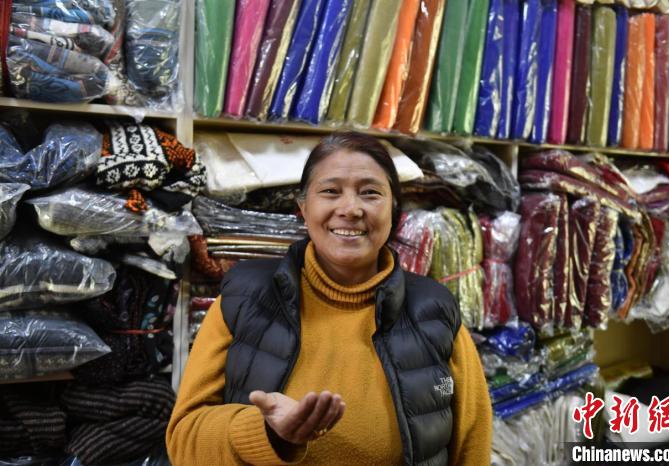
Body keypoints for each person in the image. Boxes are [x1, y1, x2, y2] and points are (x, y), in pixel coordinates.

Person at [166, 132, 492, 465]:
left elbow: (472, 448)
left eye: (370, 193)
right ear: (303, 208)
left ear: (393, 208)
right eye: (330, 191)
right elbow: (184, 441)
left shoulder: (433, 312)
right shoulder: (245, 298)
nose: (350, 209)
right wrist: (265, 433)